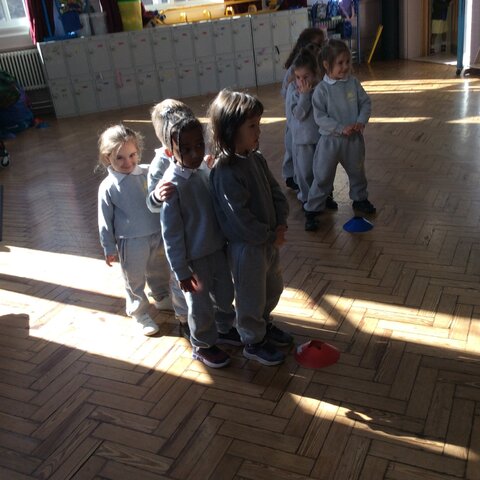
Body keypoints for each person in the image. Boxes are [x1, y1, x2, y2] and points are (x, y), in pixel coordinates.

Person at [208, 89, 293, 366]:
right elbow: (239, 219)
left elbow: (276, 192)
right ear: (231, 130)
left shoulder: (256, 158)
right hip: (247, 249)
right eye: (252, 126)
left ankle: (264, 324)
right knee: (250, 297)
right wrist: (269, 235)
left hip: (268, 242)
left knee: (273, 288)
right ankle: (253, 340)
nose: (259, 131)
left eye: (259, 124)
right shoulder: (225, 171)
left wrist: (280, 223)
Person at [159, 108, 239, 369]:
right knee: (200, 306)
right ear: (171, 153)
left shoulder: (203, 170)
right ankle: (203, 344)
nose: (194, 154)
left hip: (217, 250)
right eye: (185, 149)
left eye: (198, 146)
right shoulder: (171, 186)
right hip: (194, 261)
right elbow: (171, 234)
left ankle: (224, 328)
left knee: (225, 294)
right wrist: (181, 271)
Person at [97, 124, 173, 336]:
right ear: (107, 157)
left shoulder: (148, 172)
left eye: (132, 155)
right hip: (130, 241)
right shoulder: (108, 186)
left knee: (160, 270)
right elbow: (105, 220)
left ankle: (162, 297)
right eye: (119, 158)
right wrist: (108, 247)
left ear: (138, 151)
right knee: (134, 278)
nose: (127, 162)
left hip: (156, 233)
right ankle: (139, 312)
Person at [304, 39, 375, 232]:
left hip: (353, 140)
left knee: (357, 172)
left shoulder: (353, 83)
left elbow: (366, 103)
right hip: (330, 142)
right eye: (340, 63)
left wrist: (361, 121)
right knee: (322, 176)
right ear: (327, 65)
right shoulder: (321, 90)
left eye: (347, 62)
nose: (345, 67)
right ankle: (312, 209)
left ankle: (360, 199)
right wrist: (339, 128)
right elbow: (320, 117)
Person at [147, 99, 194, 340]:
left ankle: (209, 311)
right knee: (179, 280)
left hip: (198, 228)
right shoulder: (160, 164)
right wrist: (157, 195)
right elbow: (151, 203)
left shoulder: (194, 150)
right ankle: (184, 319)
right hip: (177, 234)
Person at [281, 27, 327, 192]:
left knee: (314, 162)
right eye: (316, 45)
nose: (319, 48)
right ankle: (291, 177)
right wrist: (301, 95)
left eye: (322, 44)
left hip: (312, 128)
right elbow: (286, 94)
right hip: (295, 123)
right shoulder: (296, 71)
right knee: (294, 150)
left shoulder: (317, 69)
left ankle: (317, 191)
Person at [286, 46, 321, 206]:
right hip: (302, 141)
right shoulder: (295, 93)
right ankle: (306, 200)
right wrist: (304, 96)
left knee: (322, 170)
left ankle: (323, 196)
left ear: (314, 74)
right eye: (298, 77)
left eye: (306, 76)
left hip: (319, 138)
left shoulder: (320, 89)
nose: (302, 81)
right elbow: (299, 114)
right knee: (305, 173)